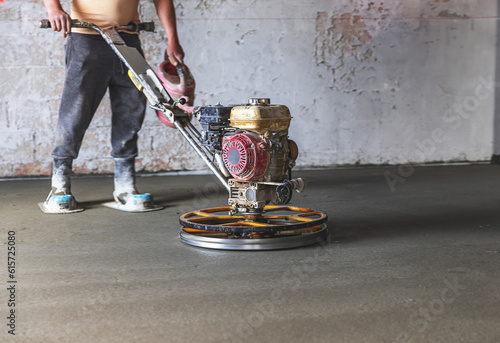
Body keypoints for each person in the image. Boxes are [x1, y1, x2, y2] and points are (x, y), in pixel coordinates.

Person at [40, 0, 184, 213]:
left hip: (128, 41)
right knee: (75, 112)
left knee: (131, 110)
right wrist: (54, 9)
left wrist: (172, 40)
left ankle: (125, 186)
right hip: (87, 39)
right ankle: (59, 186)